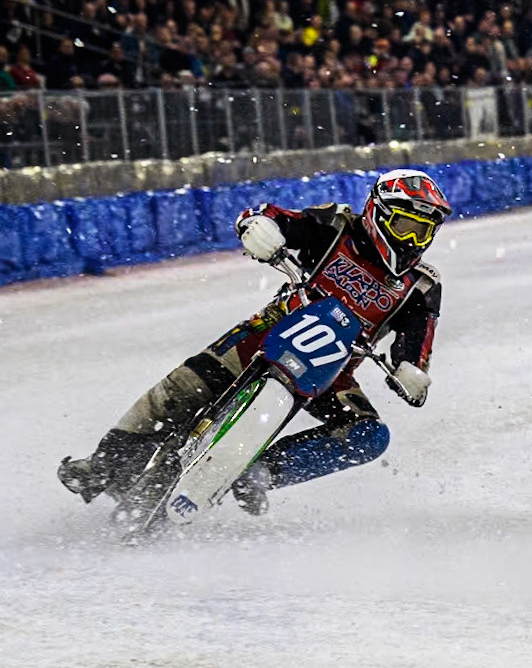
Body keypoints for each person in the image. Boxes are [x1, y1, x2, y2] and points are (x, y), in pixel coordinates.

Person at [58, 170, 451, 516]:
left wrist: (412, 372)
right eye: (405, 226)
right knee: (179, 391)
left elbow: (417, 347)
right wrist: (259, 227)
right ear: (378, 212)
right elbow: (273, 217)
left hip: (334, 371)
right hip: (267, 332)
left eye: (424, 230)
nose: (413, 239)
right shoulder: (334, 226)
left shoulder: (421, 286)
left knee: (369, 435)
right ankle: (104, 466)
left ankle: (260, 473)